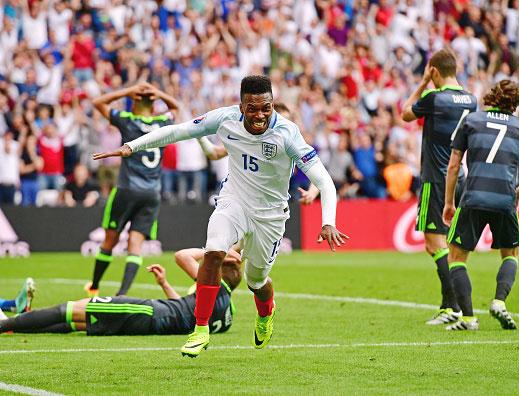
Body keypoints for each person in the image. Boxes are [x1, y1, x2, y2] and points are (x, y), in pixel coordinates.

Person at [93, 75, 348, 358]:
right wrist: (132, 146)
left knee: (257, 281)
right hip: (234, 201)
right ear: (241, 106)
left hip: (270, 216)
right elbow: (179, 131)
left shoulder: (288, 133)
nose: (260, 115)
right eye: (252, 108)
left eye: (266, 107)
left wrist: (328, 221)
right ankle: (200, 329)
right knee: (213, 251)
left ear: (272, 104)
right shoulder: (225, 118)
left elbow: (324, 181)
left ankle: (266, 313)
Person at [443, 80, 519, 331]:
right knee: (511, 254)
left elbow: (454, 165)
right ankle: (499, 301)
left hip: (474, 196)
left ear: (491, 96)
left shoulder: (471, 121)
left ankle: (468, 318)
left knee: (456, 256)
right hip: (504, 198)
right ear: (515, 104)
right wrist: (518, 193)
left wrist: (449, 202)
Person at [402, 49, 478, 325]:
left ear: (433, 70)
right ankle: (449, 305)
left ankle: (455, 306)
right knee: (449, 243)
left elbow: (405, 114)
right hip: (461, 177)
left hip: (436, 178)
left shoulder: (435, 97)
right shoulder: (471, 100)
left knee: (434, 243)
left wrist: (422, 85)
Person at [0, 250, 241, 335]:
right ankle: (13, 325)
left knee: (74, 308)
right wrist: (165, 284)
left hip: (149, 312)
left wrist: (216, 251)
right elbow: (190, 315)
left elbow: (182, 256)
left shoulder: (215, 286)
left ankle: (5, 324)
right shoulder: (228, 311)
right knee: (79, 323)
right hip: (156, 323)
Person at [86, 82, 178, 297]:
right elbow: (175, 108)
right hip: (152, 193)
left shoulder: (128, 120)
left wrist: (127, 91)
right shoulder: (163, 122)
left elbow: (97, 102)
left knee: (110, 239)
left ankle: (94, 286)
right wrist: (160, 92)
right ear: (154, 104)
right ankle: (122, 293)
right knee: (135, 244)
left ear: (135, 101)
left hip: (127, 189)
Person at [197, 102, 320, 204]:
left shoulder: (292, 145)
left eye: (287, 122)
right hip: (242, 203)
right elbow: (214, 154)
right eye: (281, 121)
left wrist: (311, 193)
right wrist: (199, 135)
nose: (284, 127)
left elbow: (318, 176)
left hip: (272, 207)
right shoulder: (246, 138)